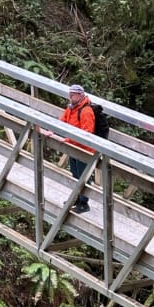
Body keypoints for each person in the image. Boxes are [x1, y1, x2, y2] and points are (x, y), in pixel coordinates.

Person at [61, 84, 96, 213]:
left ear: (81, 95)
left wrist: (67, 139)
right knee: (75, 174)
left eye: (73, 94)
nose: (70, 96)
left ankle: (84, 203)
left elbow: (86, 133)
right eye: (70, 94)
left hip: (84, 150)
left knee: (83, 176)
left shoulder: (86, 111)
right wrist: (52, 131)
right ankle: (76, 198)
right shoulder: (71, 108)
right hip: (73, 147)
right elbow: (62, 122)